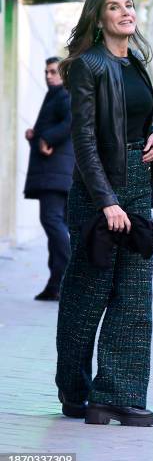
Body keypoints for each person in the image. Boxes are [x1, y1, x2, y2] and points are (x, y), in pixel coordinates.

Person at [55, 0, 153, 427]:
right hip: (97, 194)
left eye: (129, 5)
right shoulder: (88, 66)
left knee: (135, 297)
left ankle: (117, 396)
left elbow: (140, 119)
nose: (125, 12)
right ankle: (75, 389)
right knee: (87, 297)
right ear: (98, 18)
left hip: (139, 187)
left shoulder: (136, 62)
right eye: (114, 7)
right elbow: (83, 140)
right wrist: (106, 202)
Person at [24, 57, 74, 301]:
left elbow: (71, 120)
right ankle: (55, 284)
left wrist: (47, 139)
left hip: (55, 173)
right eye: (46, 72)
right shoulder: (54, 95)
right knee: (56, 226)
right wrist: (35, 135)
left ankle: (69, 278)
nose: (48, 76)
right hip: (55, 173)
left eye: (54, 72)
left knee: (52, 222)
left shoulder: (65, 94)